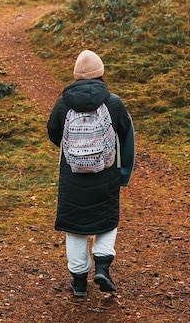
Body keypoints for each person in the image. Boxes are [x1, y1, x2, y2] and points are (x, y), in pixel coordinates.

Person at [47, 49, 135, 297]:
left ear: (75, 75)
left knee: (75, 227)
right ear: (101, 73)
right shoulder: (113, 103)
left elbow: (54, 133)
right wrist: (124, 172)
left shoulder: (63, 103)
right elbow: (127, 138)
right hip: (106, 174)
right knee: (107, 222)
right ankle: (103, 267)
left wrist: (76, 152)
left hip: (72, 174)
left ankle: (79, 283)